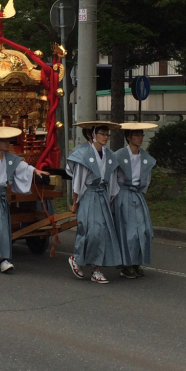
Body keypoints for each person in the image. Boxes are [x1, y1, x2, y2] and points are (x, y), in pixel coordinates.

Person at [0, 126, 50, 273]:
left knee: (2, 228)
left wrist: (36, 171)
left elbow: (24, 167)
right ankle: (1, 260)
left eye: (8, 141)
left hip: (2, 197)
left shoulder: (10, 159)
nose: (7, 144)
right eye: (4, 141)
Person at [66, 122, 123, 284]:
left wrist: (111, 197)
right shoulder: (84, 154)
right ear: (93, 135)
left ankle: (96, 269)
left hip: (102, 195)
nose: (106, 137)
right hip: (89, 195)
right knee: (90, 230)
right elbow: (78, 180)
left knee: (104, 232)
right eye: (102, 133)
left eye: (107, 134)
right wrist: (75, 201)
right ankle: (76, 258)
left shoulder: (109, 155)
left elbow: (111, 179)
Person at [113, 123, 158, 279]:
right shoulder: (118, 155)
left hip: (137, 195)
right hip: (123, 194)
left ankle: (137, 261)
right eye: (137, 135)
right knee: (128, 231)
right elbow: (112, 178)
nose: (140, 138)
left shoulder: (145, 157)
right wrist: (113, 196)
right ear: (129, 137)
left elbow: (146, 179)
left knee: (144, 230)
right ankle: (126, 264)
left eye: (141, 135)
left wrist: (140, 190)